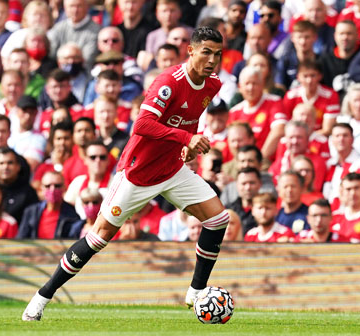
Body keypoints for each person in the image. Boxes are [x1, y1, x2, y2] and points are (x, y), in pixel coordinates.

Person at [22, 27, 228, 320]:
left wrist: (189, 146)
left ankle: (196, 292)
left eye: (217, 54)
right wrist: (185, 139)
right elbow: (141, 124)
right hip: (138, 173)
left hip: (172, 168)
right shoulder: (168, 82)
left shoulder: (212, 85)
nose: (212, 60)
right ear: (191, 51)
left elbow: (190, 117)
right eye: (206, 52)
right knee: (98, 238)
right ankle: (42, 297)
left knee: (218, 219)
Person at [283, 59, 339, 136]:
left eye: (313, 75)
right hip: (295, 138)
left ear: (320, 76)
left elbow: (327, 130)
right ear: (298, 77)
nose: (309, 80)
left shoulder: (330, 95)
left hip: (319, 140)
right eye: (305, 76)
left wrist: (304, 138)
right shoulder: (290, 96)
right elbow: (285, 125)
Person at [18, 171, 79, 239]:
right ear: (41, 188)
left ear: (64, 187)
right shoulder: (31, 211)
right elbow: (21, 239)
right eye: (47, 186)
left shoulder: (72, 213)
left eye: (57, 186)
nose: (52, 189)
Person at [47, 0, 101, 72]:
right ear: (65, 8)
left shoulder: (96, 31)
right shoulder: (57, 28)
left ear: (87, 7)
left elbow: (88, 59)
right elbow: (51, 54)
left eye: (79, 6)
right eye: (71, 6)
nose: (75, 10)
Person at [319, 20, 360, 99]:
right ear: (335, 36)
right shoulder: (324, 60)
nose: (345, 37)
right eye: (341, 34)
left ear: (357, 35)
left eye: (349, 33)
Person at [331, 172, 360, 242]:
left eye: (356, 188)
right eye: (348, 189)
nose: (352, 193)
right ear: (342, 192)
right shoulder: (333, 217)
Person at [224, 167, 261, 236]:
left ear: (260, 184)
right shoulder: (227, 210)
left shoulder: (267, 209)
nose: (248, 188)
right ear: (237, 185)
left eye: (252, 183)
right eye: (243, 183)